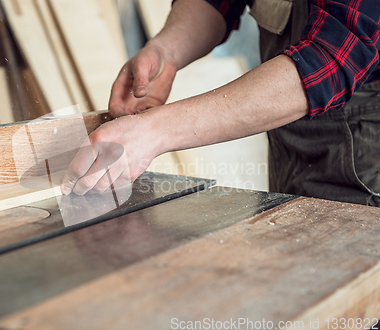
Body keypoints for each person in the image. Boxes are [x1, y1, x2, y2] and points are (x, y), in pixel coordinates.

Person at [60, 0, 380, 207]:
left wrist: (155, 131)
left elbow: (333, 56)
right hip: (293, 143)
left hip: (366, 158)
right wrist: (167, 50)